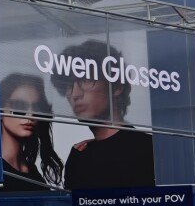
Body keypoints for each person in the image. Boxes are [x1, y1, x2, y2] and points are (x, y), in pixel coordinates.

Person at [48, 39, 156, 190]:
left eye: (85, 80)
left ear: (116, 87)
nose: (75, 94)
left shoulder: (148, 149)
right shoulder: (79, 155)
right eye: (68, 86)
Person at [0, 73, 64, 190]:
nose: (30, 115)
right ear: (0, 110)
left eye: (36, 108)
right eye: (19, 106)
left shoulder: (33, 174)